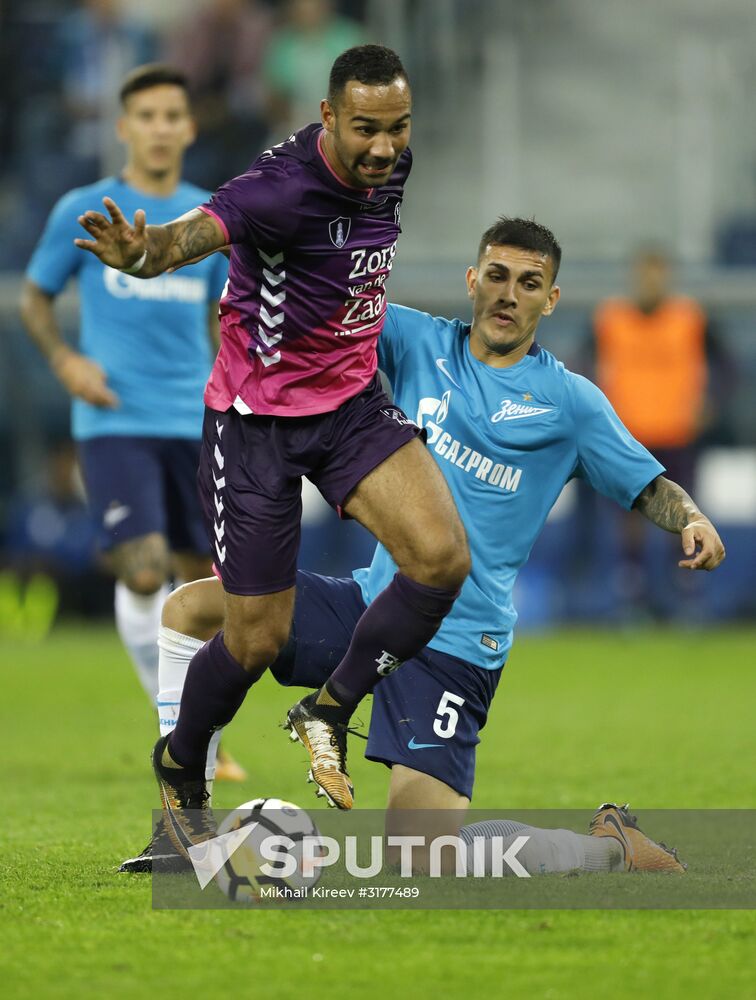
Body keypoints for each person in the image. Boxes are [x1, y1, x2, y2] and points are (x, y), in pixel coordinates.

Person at [120, 217, 722, 873]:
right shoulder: (416, 340)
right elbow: (325, 314)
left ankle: (610, 851)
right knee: (190, 610)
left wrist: (691, 518)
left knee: (421, 859)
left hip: (457, 643)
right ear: (472, 281)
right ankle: (182, 825)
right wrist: (244, 287)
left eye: (529, 283)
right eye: (496, 276)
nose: (508, 295)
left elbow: (647, 483)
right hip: (373, 605)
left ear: (550, 299)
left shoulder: (571, 403)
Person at [74, 45, 471, 835]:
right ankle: (184, 760)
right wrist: (143, 256)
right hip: (257, 425)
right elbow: (189, 237)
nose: (385, 147)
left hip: (352, 406)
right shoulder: (277, 189)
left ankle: (326, 711)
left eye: (398, 128)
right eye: (366, 128)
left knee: (441, 557)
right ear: (327, 116)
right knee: (257, 638)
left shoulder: (391, 163)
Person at [20, 64, 246, 783]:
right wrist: (65, 363)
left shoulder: (204, 219)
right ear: (124, 127)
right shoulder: (85, 209)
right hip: (113, 420)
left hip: (195, 421)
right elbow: (34, 296)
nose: (158, 127)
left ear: (188, 126)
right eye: (144, 115)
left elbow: (222, 322)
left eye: (170, 115)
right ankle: (176, 732)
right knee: (144, 567)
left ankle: (197, 727)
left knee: (195, 583)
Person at [590, 247, 728, 618]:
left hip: (677, 433)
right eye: (644, 273)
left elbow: (727, 365)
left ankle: (686, 596)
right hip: (629, 437)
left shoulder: (690, 318)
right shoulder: (611, 318)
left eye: (657, 273)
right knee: (629, 522)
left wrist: (711, 400)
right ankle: (631, 598)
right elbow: (581, 368)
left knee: (683, 517)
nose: (651, 281)